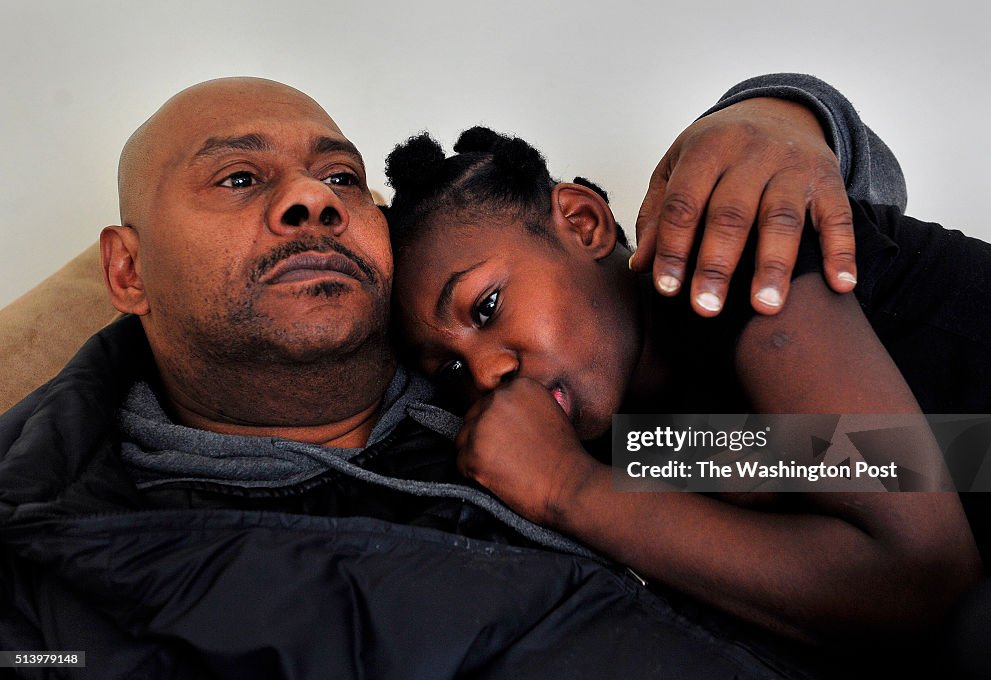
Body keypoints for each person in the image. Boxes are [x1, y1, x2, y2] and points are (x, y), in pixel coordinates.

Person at [0, 74, 906, 679]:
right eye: (238, 178)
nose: (312, 198)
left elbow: (920, 471)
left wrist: (779, 113)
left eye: (341, 177)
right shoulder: (62, 536)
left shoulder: (547, 389)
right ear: (125, 271)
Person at [384, 125, 991, 648]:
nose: (489, 374)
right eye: (453, 371)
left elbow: (925, 578)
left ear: (582, 224)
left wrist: (564, 488)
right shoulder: (646, 439)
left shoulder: (728, 251)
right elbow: (959, 459)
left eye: (488, 306)